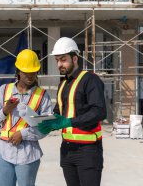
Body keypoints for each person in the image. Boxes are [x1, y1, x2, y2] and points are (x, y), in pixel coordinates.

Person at [38, 37, 107, 186]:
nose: (59, 64)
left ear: (75, 58)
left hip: (87, 151)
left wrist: (69, 122)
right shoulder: (63, 83)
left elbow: (99, 112)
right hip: (67, 150)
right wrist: (47, 121)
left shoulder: (90, 80)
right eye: (57, 60)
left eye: (63, 60)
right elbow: (59, 111)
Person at [0, 49, 53, 186]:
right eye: (26, 72)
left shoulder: (42, 96)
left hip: (28, 155)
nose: (30, 75)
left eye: (33, 72)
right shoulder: (4, 90)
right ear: (18, 71)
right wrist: (5, 110)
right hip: (5, 153)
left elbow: (46, 127)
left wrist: (23, 134)